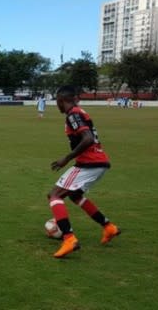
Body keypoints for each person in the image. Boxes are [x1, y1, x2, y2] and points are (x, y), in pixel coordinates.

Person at [47, 85, 120, 258]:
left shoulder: (73, 114)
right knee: (74, 195)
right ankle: (109, 227)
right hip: (98, 162)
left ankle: (69, 238)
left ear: (61, 100)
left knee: (54, 195)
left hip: (89, 163)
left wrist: (67, 158)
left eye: (57, 102)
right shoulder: (78, 112)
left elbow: (87, 139)